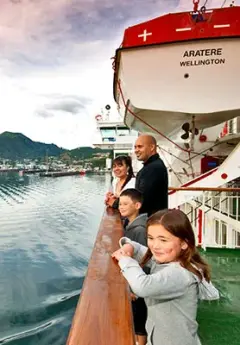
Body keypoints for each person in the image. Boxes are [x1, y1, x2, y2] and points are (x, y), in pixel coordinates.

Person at [112, 209, 219, 345]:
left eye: (163, 240)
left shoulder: (180, 273)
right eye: (150, 238)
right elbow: (144, 252)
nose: (155, 246)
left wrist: (125, 260)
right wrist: (130, 246)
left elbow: (142, 286)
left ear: (184, 243)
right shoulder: (167, 259)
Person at [119, 188, 148, 345]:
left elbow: (143, 259)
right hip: (135, 280)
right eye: (120, 204)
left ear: (137, 205)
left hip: (138, 283)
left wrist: (134, 288)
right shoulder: (131, 224)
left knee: (139, 319)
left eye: (125, 204)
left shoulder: (139, 230)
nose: (121, 207)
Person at [134, 134, 168, 216]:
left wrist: (116, 204)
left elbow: (143, 200)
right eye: (135, 147)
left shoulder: (153, 168)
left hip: (150, 221)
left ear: (152, 147)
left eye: (140, 146)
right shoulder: (153, 166)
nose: (136, 150)